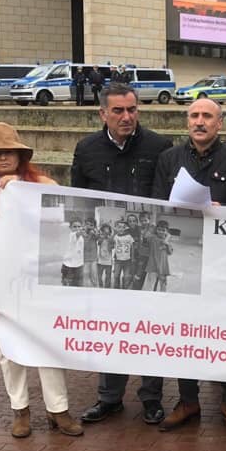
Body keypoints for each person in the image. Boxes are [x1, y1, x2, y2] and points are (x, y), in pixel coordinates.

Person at [0, 122, 83, 438]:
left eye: (9, 152)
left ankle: (58, 410)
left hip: (39, 282)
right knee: (9, 352)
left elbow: (64, 225)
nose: (3, 158)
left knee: (47, 346)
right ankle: (20, 410)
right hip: (2, 286)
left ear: (19, 154)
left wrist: (24, 193)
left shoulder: (45, 185)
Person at [71, 82, 172, 425]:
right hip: (109, 257)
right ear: (103, 113)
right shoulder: (86, 150)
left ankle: (151, 398)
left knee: (149, 325)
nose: (127, 116)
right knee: (109, 326)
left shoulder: (159, 146)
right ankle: (109, 397)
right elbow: (79, 197)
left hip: (141, 256)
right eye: (118, 111)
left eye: (132, 110)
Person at [153, 97, 226, 433]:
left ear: (220, 123)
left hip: (225, 261)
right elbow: (155, 205)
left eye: (207, 116)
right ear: (186, 122)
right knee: (185, 331)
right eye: (194, 115)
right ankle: (187, 399)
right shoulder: (168, 159)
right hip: (184, 258)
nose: (199, 121)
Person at [61, 220, 84, 286]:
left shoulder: (81, 237)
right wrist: (82, 230)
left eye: (79, 226)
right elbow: (77, 234)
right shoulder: (71, 235)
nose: (77, 228)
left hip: (79, 265)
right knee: (67, 286)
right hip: (69, 266)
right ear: (70, 228)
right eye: (74, 226)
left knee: (78, 285)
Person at [97, 223, 115, 288]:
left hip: (108, 261)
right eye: (104, 231)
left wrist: (110, 239)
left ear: (109, 231)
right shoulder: (100, 238)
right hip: (100, 260)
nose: (106, 233)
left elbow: (112, 247)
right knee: (99, 275)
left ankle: (107, 287)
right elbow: (99, 242)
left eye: (107, 231)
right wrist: (102, 237)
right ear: (102, 231)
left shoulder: (111, 239)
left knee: (108, 276)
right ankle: (100, 286)